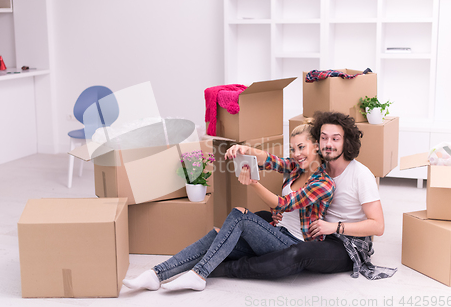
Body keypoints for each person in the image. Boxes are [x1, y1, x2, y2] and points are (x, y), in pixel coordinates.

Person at [122, 120, 334, 292]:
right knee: (218, 232)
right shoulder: (296, 169)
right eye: (293, 148)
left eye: (301, 147)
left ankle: (199, 274)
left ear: (316, 146)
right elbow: (270, 160)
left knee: (239, 215)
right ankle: (156, 274)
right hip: (277, 232)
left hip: (293, 245)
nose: (297, 153)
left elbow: (284, 203)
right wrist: (244, 149)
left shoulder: (323, 183)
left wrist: (253, 183)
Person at [210, 111, 397, 280]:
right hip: (316, 230)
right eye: (324, 138)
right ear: (317, 142)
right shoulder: (318, 166)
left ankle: (229, 268)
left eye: (335, 139)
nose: (328, 144)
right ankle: (221, 252)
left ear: (346, 141)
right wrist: (245, 150)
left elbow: (378, 226)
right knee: (259, 217)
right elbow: (275, 162)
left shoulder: (361, 175)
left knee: (298, 253)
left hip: (345, 242)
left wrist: (335, 227)